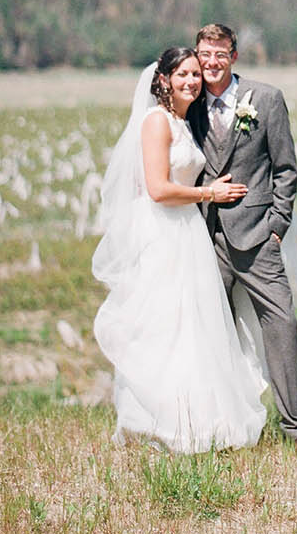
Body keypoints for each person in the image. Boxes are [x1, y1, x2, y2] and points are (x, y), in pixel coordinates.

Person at [91, 46, 269, 453]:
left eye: (195, 74)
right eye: (182, 75)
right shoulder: (157, 122)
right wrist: (210, 193)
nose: (191, 81)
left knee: (193, 326)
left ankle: (200, 417)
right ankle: (161, 421)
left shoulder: (182, 121)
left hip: (187, 231)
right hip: (164, 232)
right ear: (164, 80)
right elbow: (157, 189)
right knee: (165, 326)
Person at [188, 23, 297, 452]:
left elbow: (286, 169)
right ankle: (216, 423)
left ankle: (295, 426)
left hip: (258, 237)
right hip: (204, 238)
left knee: (281, 322)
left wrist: (277, 228)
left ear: (234, 56)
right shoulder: (187, 103)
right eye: (204, 54)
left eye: (220, 54)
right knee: (209, 330)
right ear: (197, 54)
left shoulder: (266, 100)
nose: (211, 63)